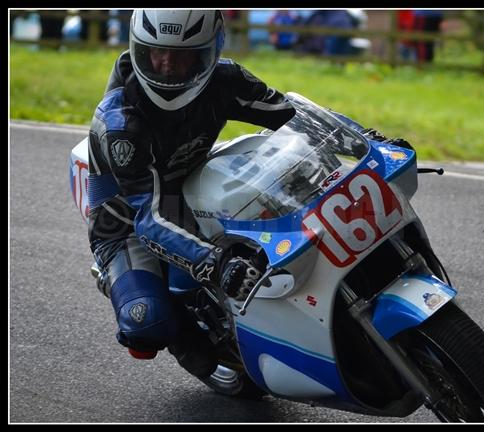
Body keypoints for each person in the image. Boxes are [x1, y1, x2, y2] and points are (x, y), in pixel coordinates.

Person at [86, 9, 407, 380]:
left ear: (210, 50)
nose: (167, 67)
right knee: (148, 323)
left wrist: (367, 142)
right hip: (127, 220)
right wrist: (215, 262)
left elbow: (296, 117)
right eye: (156, 53)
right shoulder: (122, 123)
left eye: (183, 54)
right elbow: (150, 216)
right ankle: (176, 323)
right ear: (138, 48)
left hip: (195, 184)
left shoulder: (226, 78)